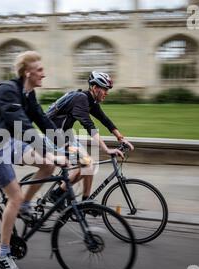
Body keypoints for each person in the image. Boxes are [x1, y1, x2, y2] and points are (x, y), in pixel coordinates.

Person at [0, 51, 65, 269]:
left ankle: (25, 206)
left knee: (47, 166)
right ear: (27, 72)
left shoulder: (28, 93)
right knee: (14, 196)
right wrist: (50, 152)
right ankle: (2, 254)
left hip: (9, 142)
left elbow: (42, 120)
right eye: (40, 70)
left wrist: (64, 146)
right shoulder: (8, 90)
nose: (44, 73)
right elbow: (22, 125)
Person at [47, 71, 134, 202]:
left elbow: (104, 120)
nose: (107, 93)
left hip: (65, 135)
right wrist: (106, 149)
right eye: (105, 89)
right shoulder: (81, 99)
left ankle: (86, 202)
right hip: (55, 138)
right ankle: (56, 194)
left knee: (89, 163)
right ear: (94, 88)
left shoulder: (90, 100)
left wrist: (121, 138)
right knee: (88, 165)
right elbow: (89, 126)